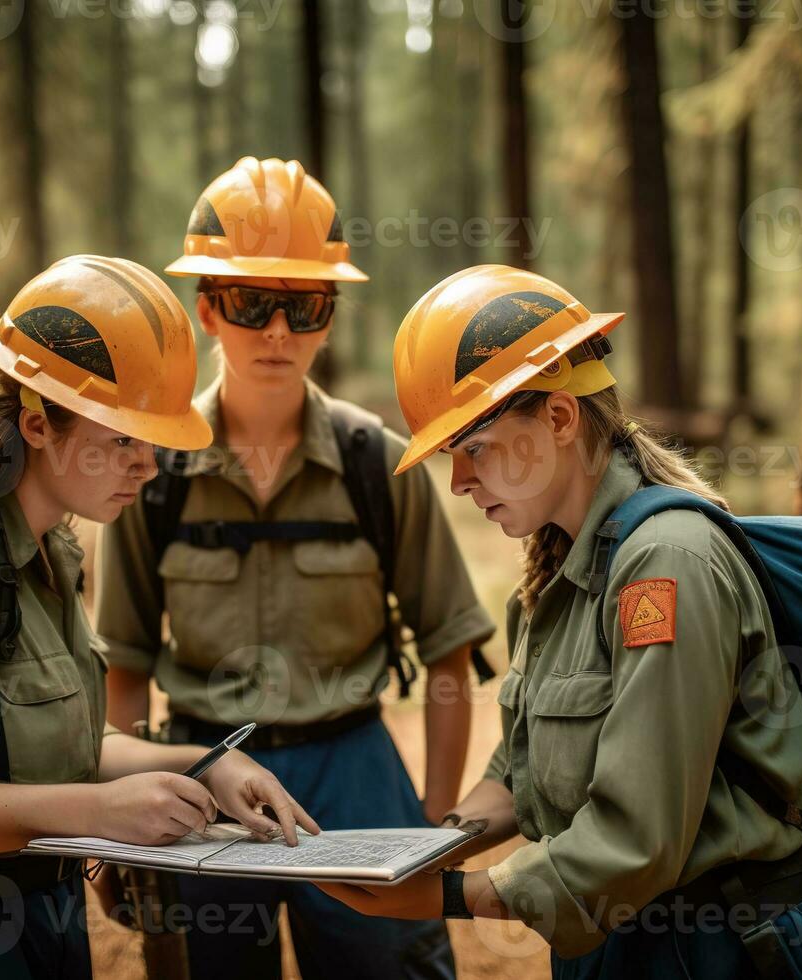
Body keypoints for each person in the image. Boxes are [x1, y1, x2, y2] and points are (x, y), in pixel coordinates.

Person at [317, 264, 802, 979]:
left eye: (472, 449)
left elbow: (636, 838)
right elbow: (521, 769)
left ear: (557, 418)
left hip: (721, 948)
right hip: (631, 944)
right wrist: (424, 850)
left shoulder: (665, 565)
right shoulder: (559, 572)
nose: (458, 481)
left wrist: (447, 896)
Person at [0, 255, 319, 979]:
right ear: (38, 423)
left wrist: (204, 762)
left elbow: (55, 743)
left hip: (35, 927)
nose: (146, 467)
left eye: (154, 443)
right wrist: (97, 814)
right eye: (122, 441)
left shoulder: (51, 550)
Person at [95, 157, 497, 979]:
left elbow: (450, 651)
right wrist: (120, 820)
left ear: (329, 315)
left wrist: (432, 822)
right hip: (200, 776)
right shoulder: (153, 475)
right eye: (251, 303)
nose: (278, 333)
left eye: (304, 306)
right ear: (207, 309)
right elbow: (126, 666)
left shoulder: (376, 464)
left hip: (353, 769)